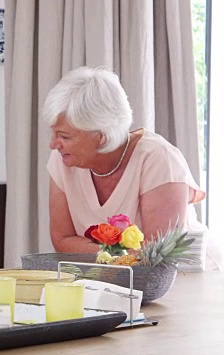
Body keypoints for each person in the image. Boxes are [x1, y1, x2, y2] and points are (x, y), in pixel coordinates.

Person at [45, 66, 220, 267]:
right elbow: (62, 241)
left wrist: (96, 253)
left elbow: (156, 255)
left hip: (187, 279)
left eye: (64, 136)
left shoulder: (159, 159)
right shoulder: (63, 159)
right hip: (117, 279)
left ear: (101, 137)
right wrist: (118, 255)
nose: (53, 144)